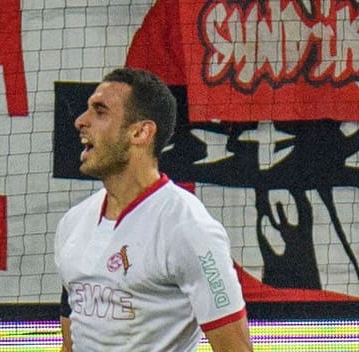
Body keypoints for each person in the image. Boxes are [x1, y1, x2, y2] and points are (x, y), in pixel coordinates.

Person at [56, 68, 253, 352]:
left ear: (140, 132)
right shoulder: (72, 223)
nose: (80, 121)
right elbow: (70, 344)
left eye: (100, 112)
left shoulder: (189, 229)